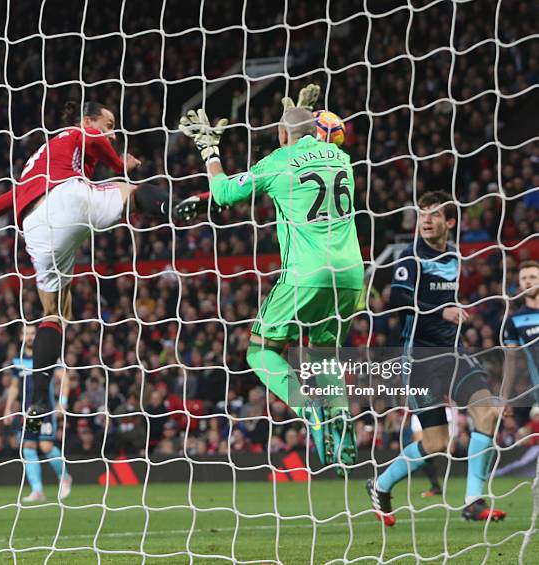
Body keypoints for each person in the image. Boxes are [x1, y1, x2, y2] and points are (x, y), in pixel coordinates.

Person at [0, 101, 181, 430]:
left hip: (35, 227)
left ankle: (37, 398)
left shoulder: (41, 159)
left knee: (55, 312)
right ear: (88, 120)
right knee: (131, 192)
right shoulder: (73, 133)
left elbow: (10, 197)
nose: (112, 134)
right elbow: (93, 138)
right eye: (109, 124)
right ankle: (178, 208)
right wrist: (120, 165)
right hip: (65, 196)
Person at [178, 90, 365, 470]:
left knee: (259, 351)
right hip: (350, 274)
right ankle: (343, 438)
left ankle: (306, 405)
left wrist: (210, 152)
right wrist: (293, 114)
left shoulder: (278, 162)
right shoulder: (343, 158)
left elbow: (225, 192)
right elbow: (309, 144)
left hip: (306, 272)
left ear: (282, 135)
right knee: (324, 356)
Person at [366, 191, 506, 525]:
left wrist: (452, 313)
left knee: (487, 412)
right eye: (422, 214)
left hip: (453, 353)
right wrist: (441, 311)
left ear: (450, 222)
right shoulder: (409, 256)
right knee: (437, 443)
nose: (426, 220)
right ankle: (381, 484)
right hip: (418, 360)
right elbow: (398, 300)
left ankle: (473, 501)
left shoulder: (454, 255)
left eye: (434, 215)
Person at [4, 325, 72, 503]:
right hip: (30, 412)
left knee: (46, 447)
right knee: (28, 447)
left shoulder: (47, 356)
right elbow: (14, 386)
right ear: (21, 337)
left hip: (45, 408)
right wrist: (8, 407)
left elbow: (64, 378)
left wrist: (62, 403)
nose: (30, 337)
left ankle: (64, 477)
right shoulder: (17, 360)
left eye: (33, 333)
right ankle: (37, 490)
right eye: (26, 333)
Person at [503, 260, 539, 405]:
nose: (528, 282)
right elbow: (510, 361)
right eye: (524, 278)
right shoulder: (514, 320)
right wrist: (504, 398)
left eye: (532, 277)